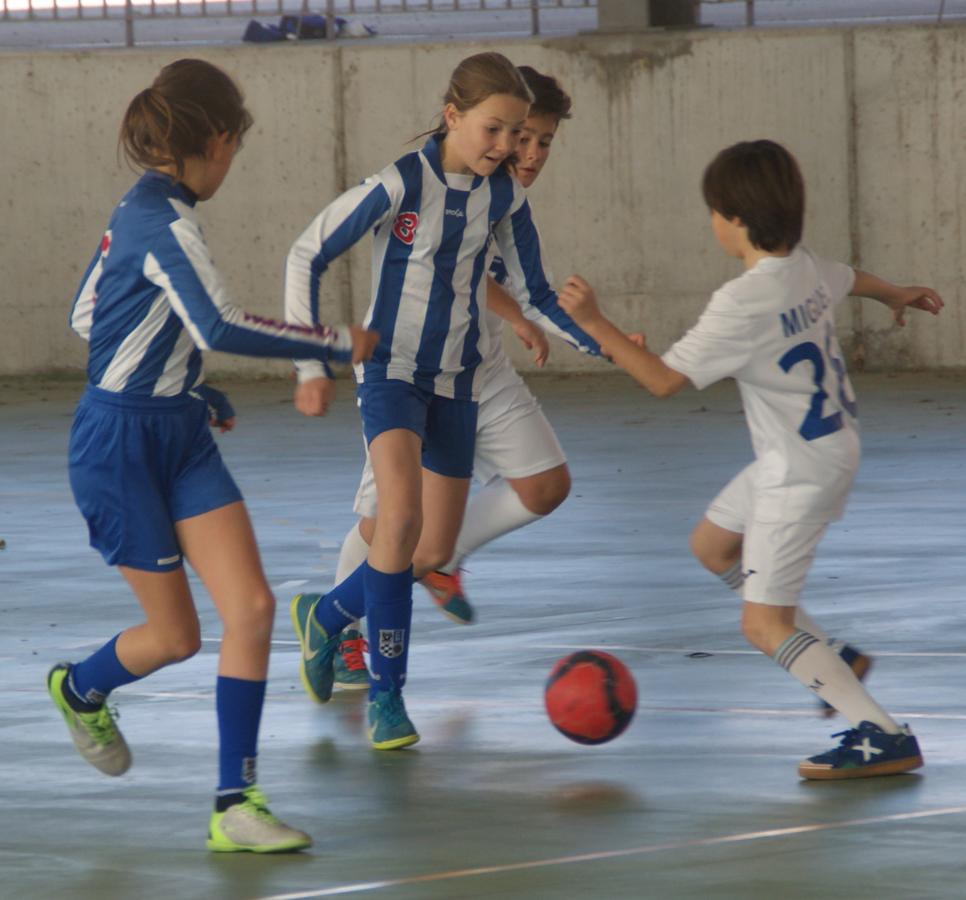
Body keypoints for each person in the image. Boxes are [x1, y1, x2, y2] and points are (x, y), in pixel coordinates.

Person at [51, 58, 376, 853]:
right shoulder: (164, 223)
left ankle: (236, 804)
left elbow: (86, 315)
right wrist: (335, 342)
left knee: (254, 610)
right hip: (118, 446)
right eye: (238, 147)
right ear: (219, 141)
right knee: (174, 639)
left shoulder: (139, 210)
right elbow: (220, 324)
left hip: (178, 432)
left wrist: (182, 386)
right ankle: (79, 686)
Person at [558, 139, 942, 780]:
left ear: (734, 217)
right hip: (812, 450)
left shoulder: (742, 302)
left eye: (713, 210)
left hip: (799, 470)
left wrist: (595, 324)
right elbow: (852, 278)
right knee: (713, 545)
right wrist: (896, 293)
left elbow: (662, 381)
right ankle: (830, 656)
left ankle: (881, 733)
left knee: (763, 625)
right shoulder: (807, 268)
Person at [284, 52, 600, 748]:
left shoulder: (506, 199)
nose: (509, 148)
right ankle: (388, 703)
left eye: (520, 135)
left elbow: (538, 291)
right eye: (497, 130)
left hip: (461, 384)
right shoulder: (399, 183)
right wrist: (313, 359)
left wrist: (604, 342)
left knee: (429, 546)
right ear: (453, 116)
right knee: (396, 524)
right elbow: (306, 253)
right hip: (391, 375)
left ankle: (329, 616)